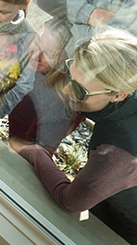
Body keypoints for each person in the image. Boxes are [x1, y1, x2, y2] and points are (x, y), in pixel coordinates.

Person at [17, 29, 137, 245]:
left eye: (80, 91)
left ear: (118, 94)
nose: (68, 89)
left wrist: (34, 152)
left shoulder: (123, 155)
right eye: (71, 73)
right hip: (129, 216)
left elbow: (70, 202)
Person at [8, 19, 83, 154]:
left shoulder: (64, 101)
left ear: (67, 63)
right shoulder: (30, 61)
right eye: (37, 43)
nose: (36, 55)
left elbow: (38, 150)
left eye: (48, 54)